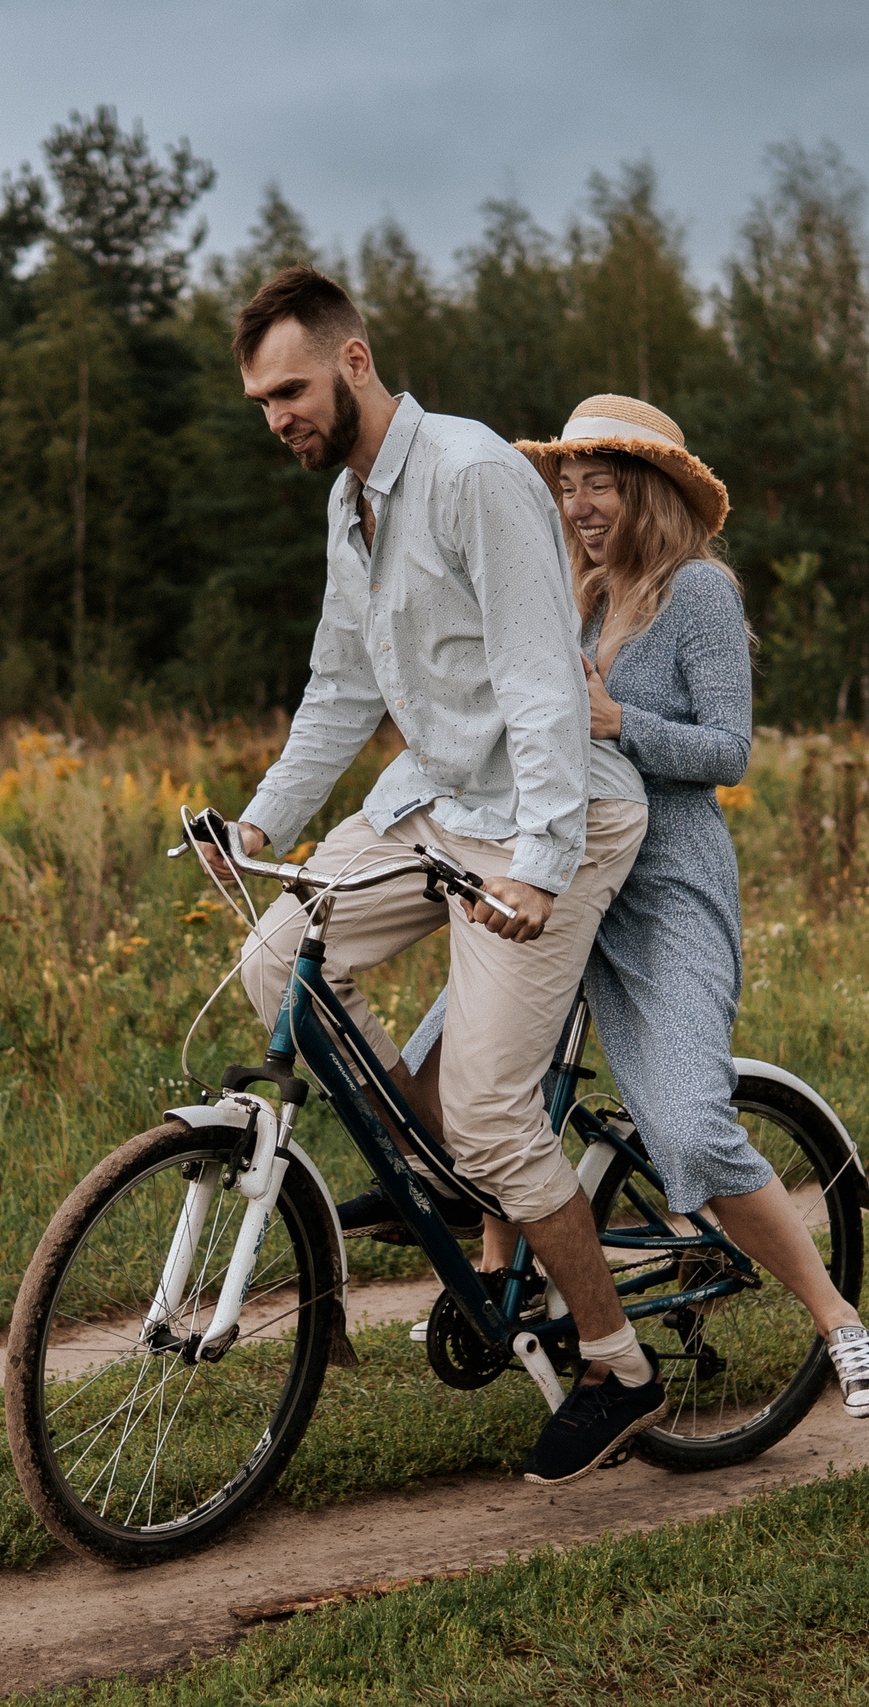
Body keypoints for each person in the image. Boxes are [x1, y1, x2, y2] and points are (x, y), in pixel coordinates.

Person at [207, 266, 665, 1485]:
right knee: (275, 961)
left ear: (354, 363)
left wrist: (543, 866)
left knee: (498, 1118)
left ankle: (619, 1367)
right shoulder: (348, 505)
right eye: (259, 401)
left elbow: (534, 680)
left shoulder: (467, 476)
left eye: (290, 389)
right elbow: (341, 686)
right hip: (440, 805)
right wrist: (260, 825)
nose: (277, 419)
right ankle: (446, 1184)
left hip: (545, 820)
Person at [411, 394, 869, 1420]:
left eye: (599, 484)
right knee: (446, 1084)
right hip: (555, 868)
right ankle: (508, 1281)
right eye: (568, 483)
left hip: (664, 891)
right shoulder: (572, 597)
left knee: (685, 1126)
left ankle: (841, 1325)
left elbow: (728, 750)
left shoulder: (701, 594)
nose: (578, 504)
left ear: (646, 492)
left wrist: (617, 716)